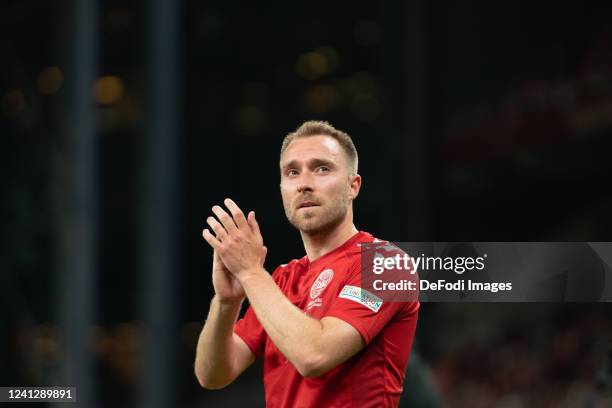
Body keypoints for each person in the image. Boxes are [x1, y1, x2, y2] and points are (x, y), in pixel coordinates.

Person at [195, 121, 419, 407]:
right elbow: (212, 375)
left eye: (322, 168)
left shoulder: (386, 265)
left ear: (353, 186)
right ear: (281, 188)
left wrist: (251, 273)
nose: (304, 183)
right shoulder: (281, 280)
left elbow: (315, 356)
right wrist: (226, 304)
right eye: (292, 172)